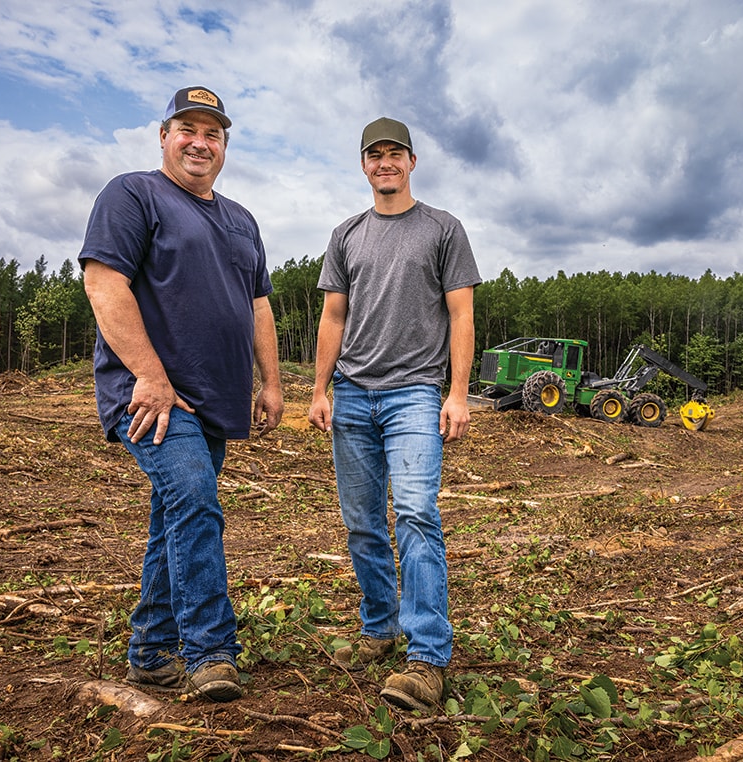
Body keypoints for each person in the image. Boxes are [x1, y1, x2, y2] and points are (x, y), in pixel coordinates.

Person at [79, 86, 284, 702]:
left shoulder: (242, 218)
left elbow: (259, 305)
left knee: (176, 516)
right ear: (164, 136)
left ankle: (149, 650)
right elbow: (103, 281)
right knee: (194, 499)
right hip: (152, 396)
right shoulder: (133, 194)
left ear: (225, 144)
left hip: (216, 399)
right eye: (187, 129)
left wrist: (271, 381)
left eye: (213, 132)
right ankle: (210, 651)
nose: (200, 141)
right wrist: (149, 373)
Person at [308, 117, 481, 712]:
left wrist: (456, 394)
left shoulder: (442, 228)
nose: (385, 163)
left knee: (414, 512)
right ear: (363, 165)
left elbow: (461, 315)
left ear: (412, 161)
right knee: (361, 522)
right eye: (374, 155)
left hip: (414, 393)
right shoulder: (346, 234)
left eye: (395, 154)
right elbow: (333, 317)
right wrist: (320, 389)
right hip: (353, 393)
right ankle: (380, 627)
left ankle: (427, 655)